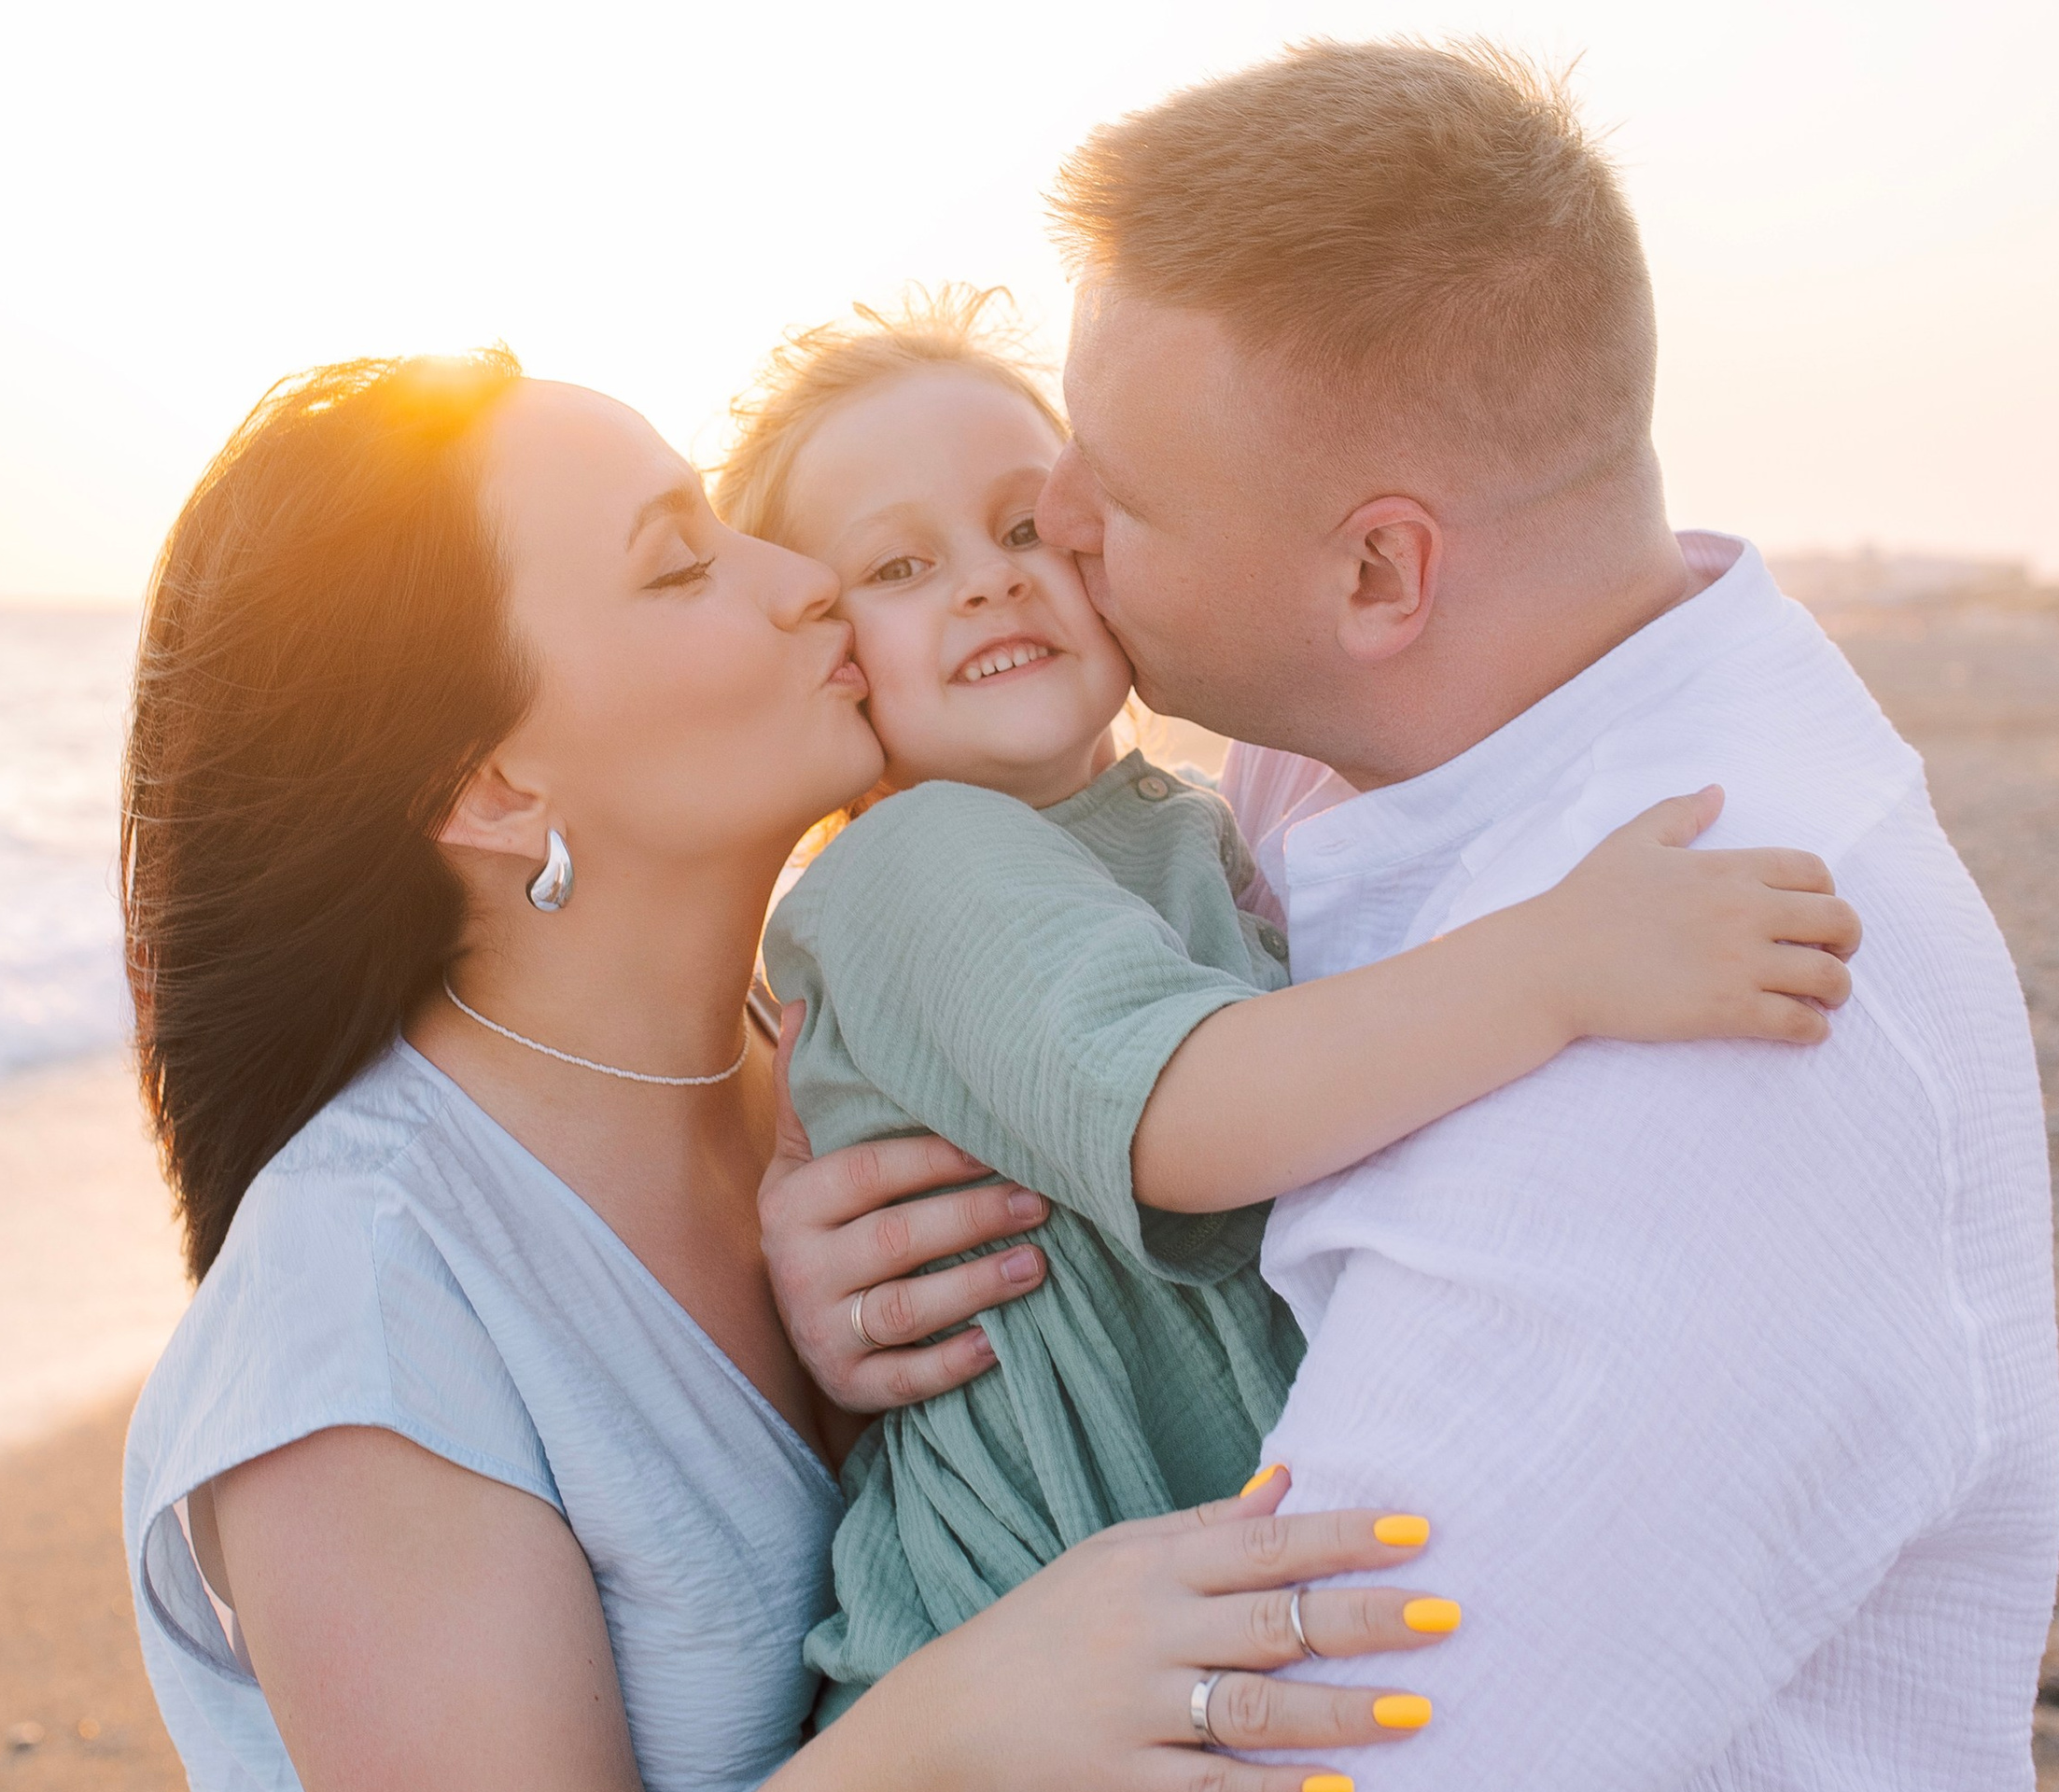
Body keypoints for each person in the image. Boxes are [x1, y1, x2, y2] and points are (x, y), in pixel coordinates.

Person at [117, 349, 1447, 1792]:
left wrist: (851, 1394)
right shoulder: (360, 1310)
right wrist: (964, 1718)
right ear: (494, 789)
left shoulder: (862, 1050)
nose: (807, 582)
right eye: (682, 566)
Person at [1023, 39, 2059, 1787]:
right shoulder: (1385, 750)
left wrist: (909, 1739)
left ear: (1379, 574)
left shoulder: (1699, 1038)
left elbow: (1322, 1750)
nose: (1045, 524)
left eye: (1112, 496)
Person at [710, 287, 1860, 1729]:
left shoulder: (1178, 823)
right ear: (819, 650)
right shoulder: (916, 857)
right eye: (897, 566)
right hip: (1004, 1649)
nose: (991, 584)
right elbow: (1192, 1113)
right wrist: (1557, 963)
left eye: (1024, 531)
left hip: (1163, 1633)